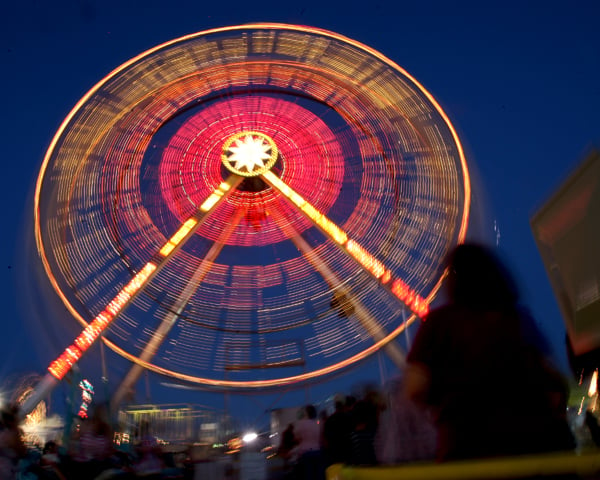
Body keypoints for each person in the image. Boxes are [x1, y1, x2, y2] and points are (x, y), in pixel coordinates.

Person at [405, 242, 575, 461]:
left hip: (470, 446)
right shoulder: (517, 319)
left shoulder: (441, 323)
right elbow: (553, 379)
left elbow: (414, 387)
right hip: (538, 446)